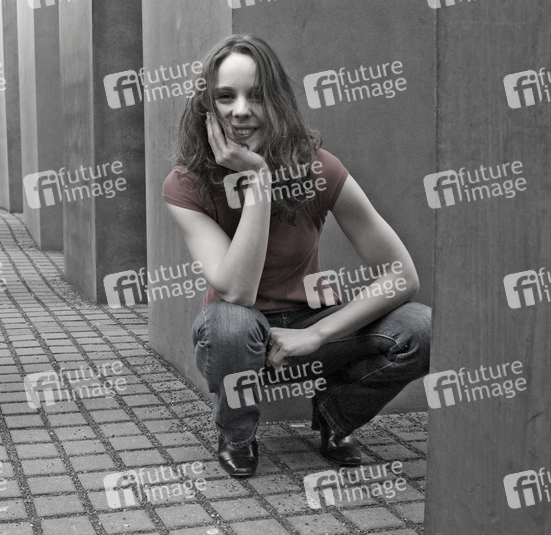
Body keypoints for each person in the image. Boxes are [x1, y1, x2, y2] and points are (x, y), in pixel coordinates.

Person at [162, 34, 431, 478]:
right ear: (206, 107)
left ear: (278, 102)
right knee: (229, 322)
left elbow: (402, 275)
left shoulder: (317, 168)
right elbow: (238, 291)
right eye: (225, 97)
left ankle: (335, 416)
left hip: (311, 328)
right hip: (237, 340)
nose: (241, 110)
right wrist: (258, 179)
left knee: (421, 327)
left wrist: (318, 334)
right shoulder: (186, 184)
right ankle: (237, 435)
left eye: (257, 95)